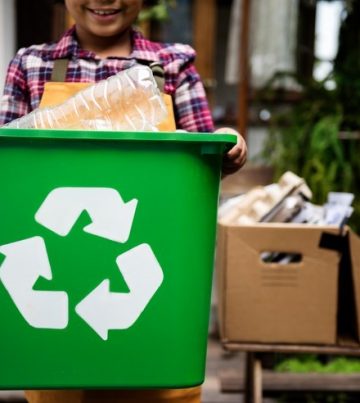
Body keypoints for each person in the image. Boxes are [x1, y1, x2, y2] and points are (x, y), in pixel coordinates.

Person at [0, 1, 247, 402]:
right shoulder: (32, 65)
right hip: (58, 297)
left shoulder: (173, 66)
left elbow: (205, 158)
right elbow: (8, 169)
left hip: (154, 303)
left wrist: (229, 144)